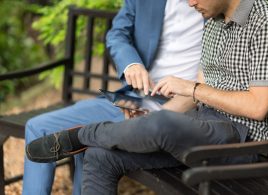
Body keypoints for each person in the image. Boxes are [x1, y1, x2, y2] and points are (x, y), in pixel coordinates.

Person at [25, 0, 268, 194]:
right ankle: (91, 138)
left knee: (162, 123)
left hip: (241, 141)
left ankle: (82, 135)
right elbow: (197, 98)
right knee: (100, 156)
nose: (190, 3)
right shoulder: (214, 25)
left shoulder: (267, 22)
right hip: (200, 131)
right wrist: (148, 119)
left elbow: (258, 107)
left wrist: (189, 89)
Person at [22, 0, 204, 195]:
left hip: (185, 106)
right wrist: (131, 63)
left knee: (91, 142)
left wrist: (182, 101)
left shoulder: (215, 8)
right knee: (37, 127)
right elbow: (117, 34)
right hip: (135, 98)